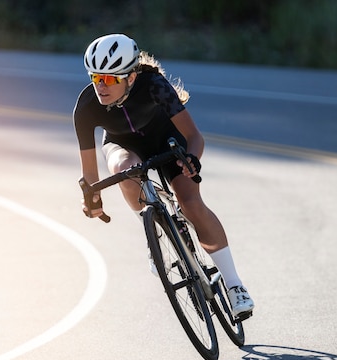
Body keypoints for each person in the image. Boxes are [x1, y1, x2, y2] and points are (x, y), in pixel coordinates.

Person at [73, 33, 254, 318]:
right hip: (123, 146)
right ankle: (152, 228)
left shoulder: (155, 86)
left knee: (191, 203)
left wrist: (192, 160)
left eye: (109, 79)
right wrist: (92, 199)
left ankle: (234, 284)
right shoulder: (85, 107)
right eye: (96, 78)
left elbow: (194, 137)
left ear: (130, 77)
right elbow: (90, 179)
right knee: (124, 169)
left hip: (166, 139)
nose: (100, 86)